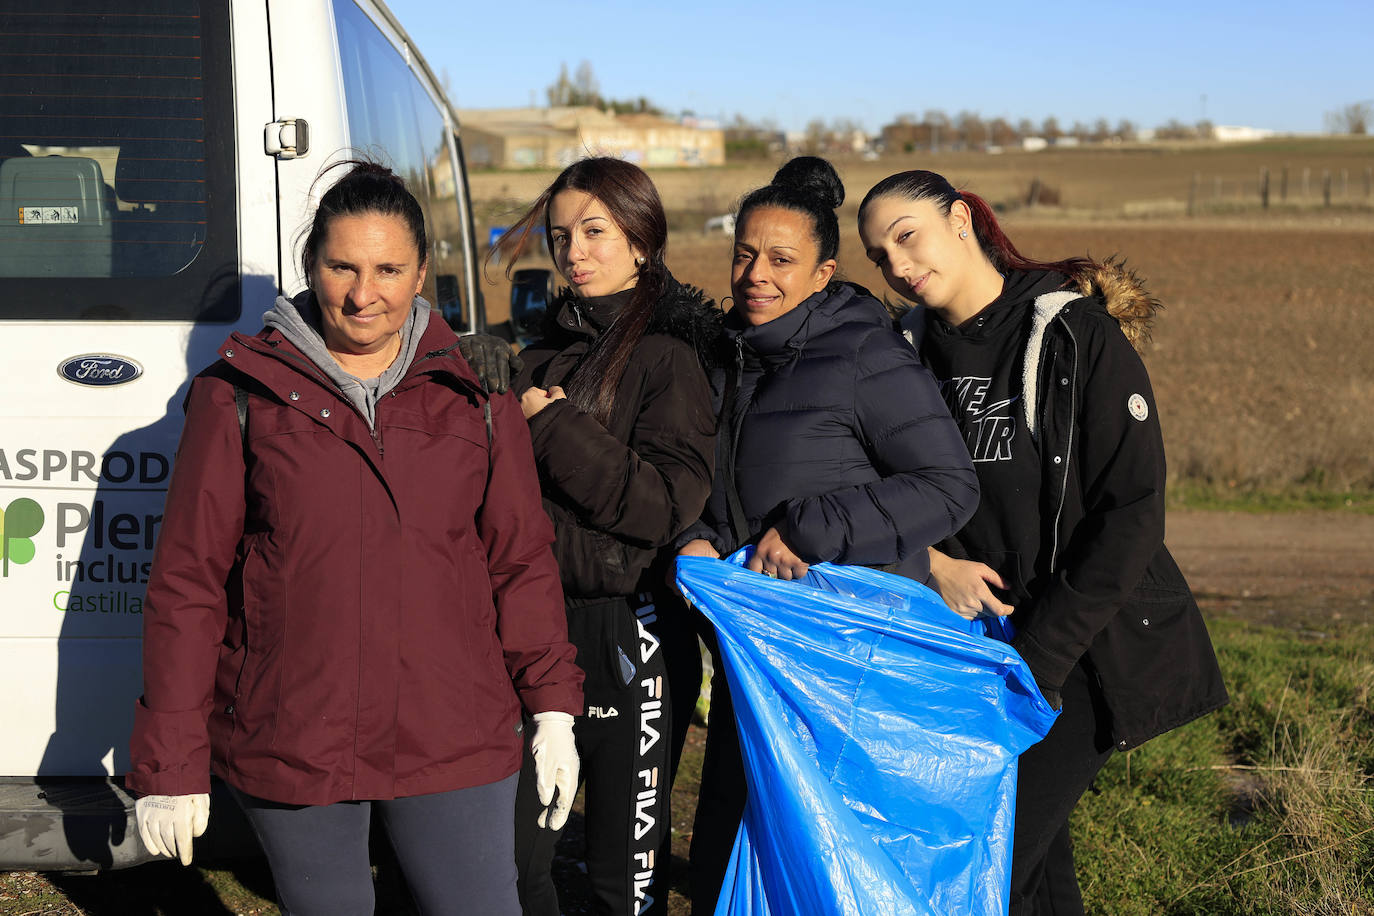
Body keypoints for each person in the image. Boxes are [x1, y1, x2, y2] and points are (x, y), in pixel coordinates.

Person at [125, 160, 584, 916]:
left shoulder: (475, 395)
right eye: (343, 267)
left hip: (452, 730)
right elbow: (188, 585)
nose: (364, 294)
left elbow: (519, 561)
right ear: (311, 265)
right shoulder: (237, 395)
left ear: (422, 273)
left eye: (388, 270)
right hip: (294, 733)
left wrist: (554, 705)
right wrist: (171, 762)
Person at [857, 169, 1228, 915]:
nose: (897, 265)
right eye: (879, 255)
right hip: (971, 644)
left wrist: (1038, 659)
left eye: (907, 237)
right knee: (1032, 868)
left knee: (986, 862)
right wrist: (932, 565)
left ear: (960, 220)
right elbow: (883, 490)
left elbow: (1132, 513)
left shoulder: (1072, 335)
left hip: (1078, 647)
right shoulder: (903, 352)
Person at [676, 157, 980, 914]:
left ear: (823, 274)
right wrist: (698, 533)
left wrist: (808, 530)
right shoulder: (727, 356)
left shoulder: (864, 353)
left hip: (841, 668)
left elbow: (949, 486)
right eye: (745, 253)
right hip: (754, 659)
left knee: (835, 877)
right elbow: (708, 476)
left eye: (781, 260)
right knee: (730, 867)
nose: (756, 274)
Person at [490, 156, 719, 916]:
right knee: (515, 864)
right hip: (533, 630)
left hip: (631, 633)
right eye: (560, 236)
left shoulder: (669, 358)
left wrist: (551, 424)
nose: (574, 252)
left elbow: (661, 508)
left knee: (624, 883)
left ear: (641, 240)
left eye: (594, 231)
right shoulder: (542, 353)